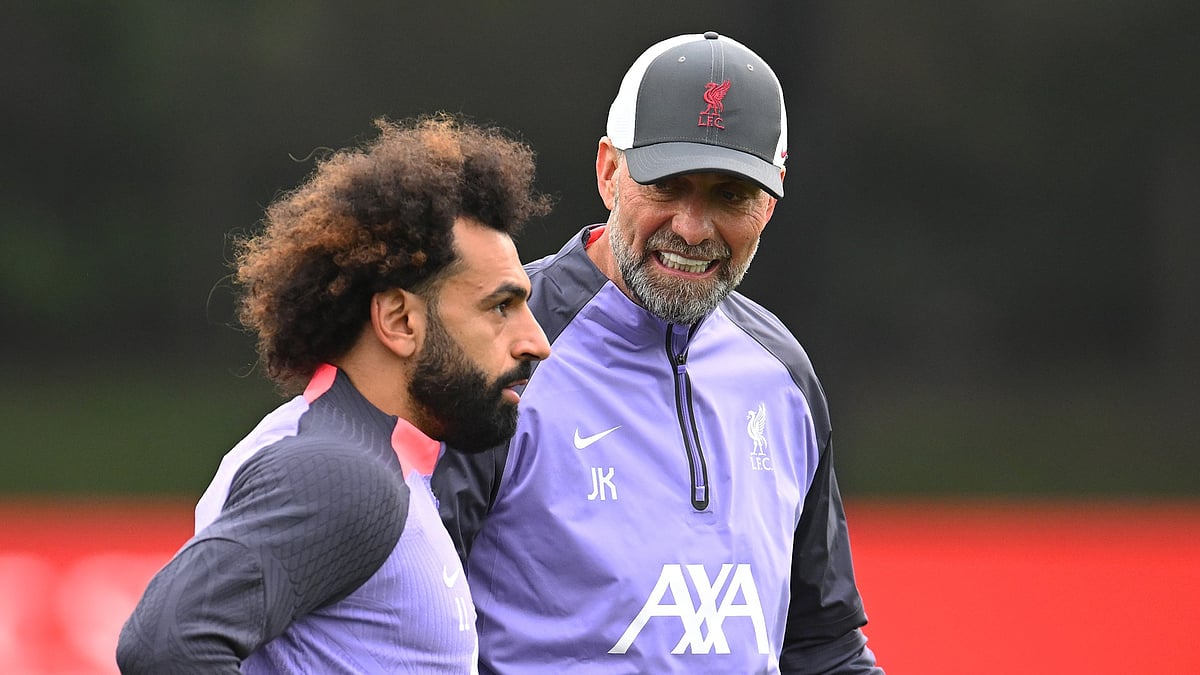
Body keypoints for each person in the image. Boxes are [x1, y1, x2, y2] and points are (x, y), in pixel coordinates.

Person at [432, 32, 883, 673]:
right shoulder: (495, 348)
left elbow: (822, 648)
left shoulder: (783, 375)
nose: (693, 227)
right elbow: (395, 625)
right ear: (609, 171)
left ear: (773, 196)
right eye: (668, 185)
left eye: (731, 194)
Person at [116, 115, 552, 673]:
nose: (537, 342)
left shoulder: (371, 461)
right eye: (500, 306)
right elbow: (165, 646)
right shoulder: (343, 476)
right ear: (398, 319)